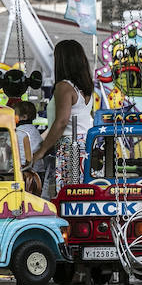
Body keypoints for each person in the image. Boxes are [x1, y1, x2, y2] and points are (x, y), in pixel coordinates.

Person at [29, 40, 96, 196]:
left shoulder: (64, 87)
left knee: (68, 195)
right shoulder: (85, 87)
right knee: (84, 193)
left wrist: (42, 151)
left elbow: (61, 122)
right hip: (86, 144)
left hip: (69, 147)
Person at [13, 101, 45, 194]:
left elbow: (8, 144)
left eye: (15, 115)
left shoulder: (19, 131)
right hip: (38, 170)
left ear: (24, 117)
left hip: (23, 170)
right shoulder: (34, 130)